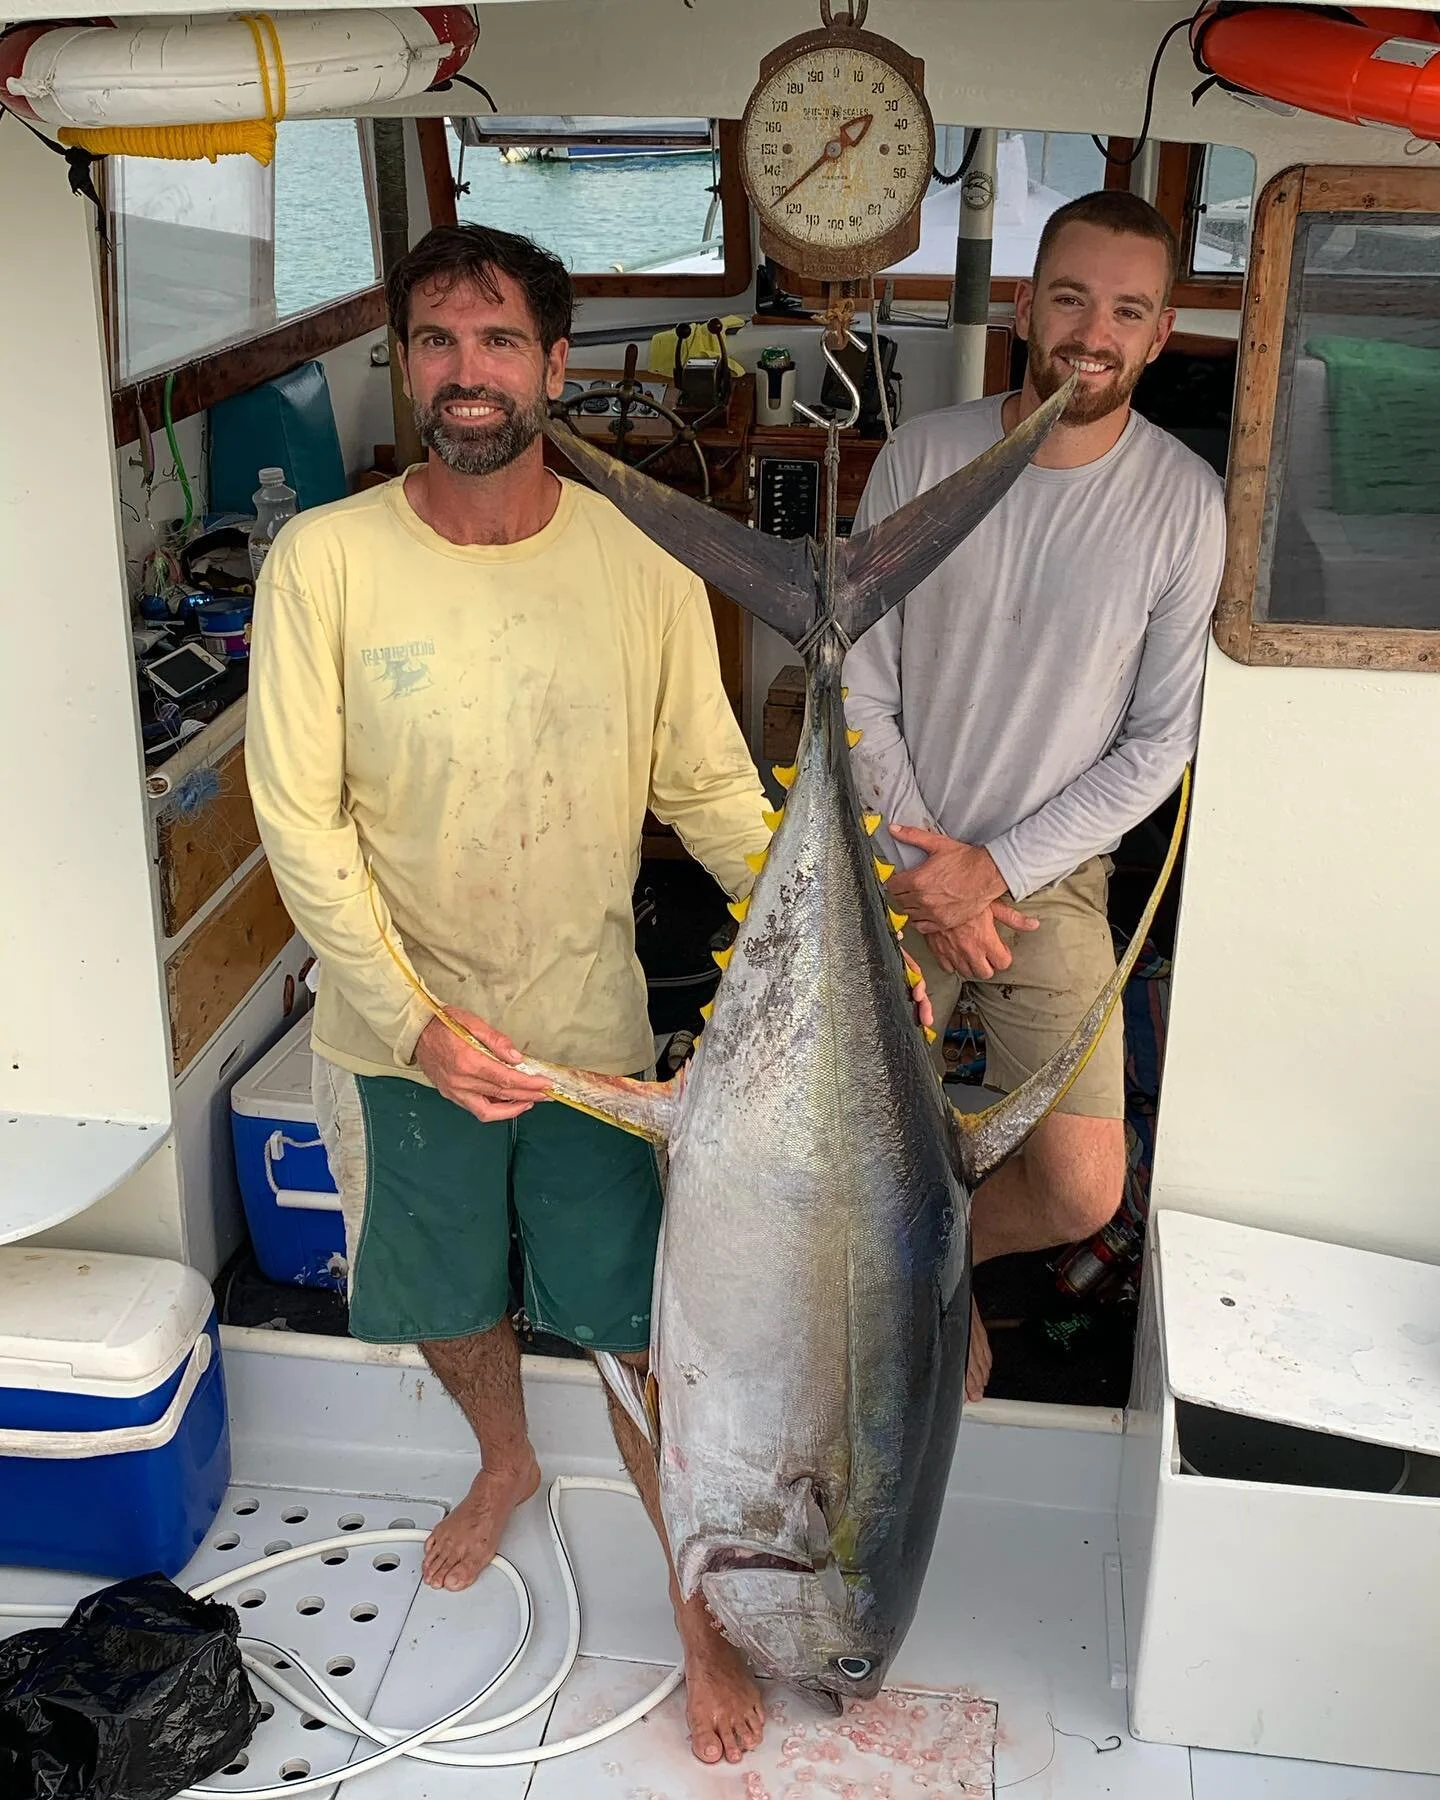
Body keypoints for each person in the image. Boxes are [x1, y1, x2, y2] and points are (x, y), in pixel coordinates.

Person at [246, 222, 776, 1767]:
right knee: (447, 1293)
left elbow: (714, 791)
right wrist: (413, 1020)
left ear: (555, 366)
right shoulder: (323, 558)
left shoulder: (640, 559)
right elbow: (300, 818)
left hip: (590, 1040)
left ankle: (696, 1610)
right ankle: (501, 1461)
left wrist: (843, 922)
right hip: (401, 1036)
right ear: (401, 362)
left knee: (633, 1326)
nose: (464, 374)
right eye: (434, 341)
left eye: (496, 344)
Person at [844, 190, 1226, 1401]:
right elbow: (857, 682)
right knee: (840, 1153)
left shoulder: (1182, 504)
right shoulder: (925, 453)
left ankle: (937, 1267)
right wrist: (928, 865)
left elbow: (1159, 744)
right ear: (1024, 305)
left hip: (1048, 877)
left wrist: (992, 871)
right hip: (892, 849)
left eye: (1126, 308)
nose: (1092, 330)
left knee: (1081, 1187)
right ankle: (874, 1307)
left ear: (1161, 333)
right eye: (1069, 297)